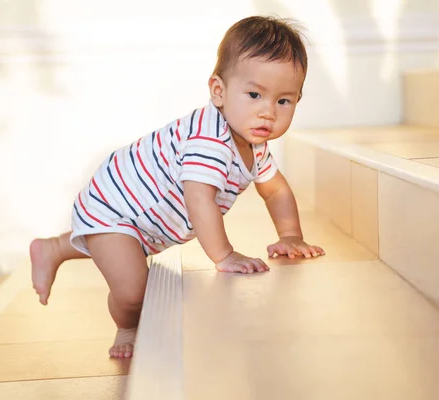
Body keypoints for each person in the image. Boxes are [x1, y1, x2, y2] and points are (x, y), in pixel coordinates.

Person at [29, 15, 325, 359]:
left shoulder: (253, 142)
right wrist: (224, 255)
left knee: (118, 249)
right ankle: (127, 326)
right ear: (219, 90)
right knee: (133, 290)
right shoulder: (209, 139)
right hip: (117, 208)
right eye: (255, 94)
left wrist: (290, 236)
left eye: (283, 101)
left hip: (143, 222)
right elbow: (200, 199)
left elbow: (276, 190)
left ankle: (54, 248)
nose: (267, 112)